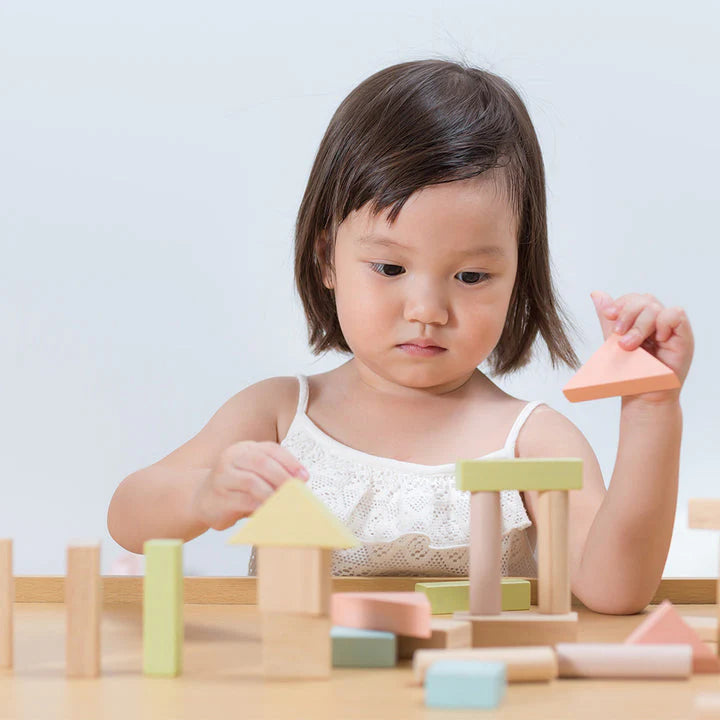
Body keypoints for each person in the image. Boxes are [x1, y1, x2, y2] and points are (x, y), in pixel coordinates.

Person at [107, 59, 693, 614]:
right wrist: (203, 496)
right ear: (327, 259)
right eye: (390, 268)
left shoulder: (533, 442)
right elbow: (128, 519)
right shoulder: (279, 414)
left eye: (471, 276)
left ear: (519, 274)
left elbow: (613, 590)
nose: (427, 310)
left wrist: (651, 410)